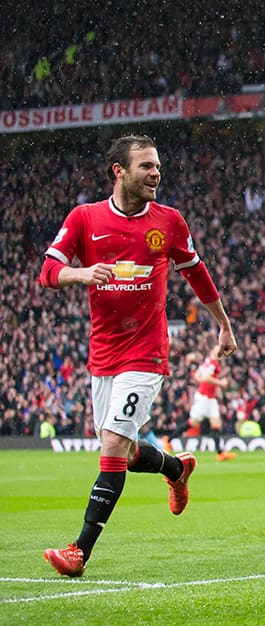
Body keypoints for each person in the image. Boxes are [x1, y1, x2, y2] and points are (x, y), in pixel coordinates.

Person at [38, 134, 237, 577]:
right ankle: (175, 467)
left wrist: (223, 324)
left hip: (146, 353)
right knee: (124, 455)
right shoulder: (85, 218)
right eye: (146, 166)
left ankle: (79, 551)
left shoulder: (168, 222)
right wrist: (82, 273)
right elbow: (48, 272)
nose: (156, 173)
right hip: (103, 353)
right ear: (119, 171)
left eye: (157, 166)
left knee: (111, 447)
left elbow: (197, 274)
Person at [168, 343, 235, 461]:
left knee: (216, 424)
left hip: (209, 397)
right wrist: (220, 383)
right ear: (213, 351)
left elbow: (197, 376)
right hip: (204, 397)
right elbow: (204, 378)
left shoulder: (208, 361)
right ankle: (168, 439)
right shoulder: (212, 363)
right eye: (218, 349)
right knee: (193, 423)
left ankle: (220, 453)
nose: (220, 352)